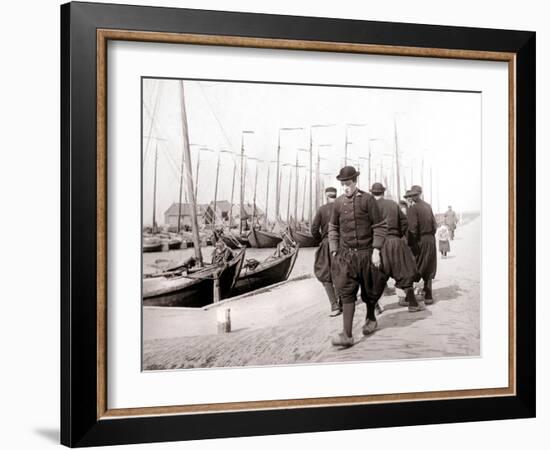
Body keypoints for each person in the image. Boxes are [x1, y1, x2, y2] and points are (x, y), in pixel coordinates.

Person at [328, 166, 387, 348]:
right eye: (343, 184)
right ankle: (347, 334)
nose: (346, 187)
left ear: (355, 182)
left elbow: (380, 226)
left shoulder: (368, 200)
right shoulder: (338, 203)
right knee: (347, 292)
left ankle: (370, 318)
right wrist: (334, 250)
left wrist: (376, 250)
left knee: (369, 289)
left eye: (348, 183)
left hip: (366, 254)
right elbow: (333, 228)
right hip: (346, 256)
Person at [370, 183, 424, 311]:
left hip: (377, 245)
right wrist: (401, 238)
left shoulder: (369, 207)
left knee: (377, 277)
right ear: (383, 192)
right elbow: (405, 223)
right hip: (395, 242)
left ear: (372, 193)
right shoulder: (393, 204)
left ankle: (374, 308)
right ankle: (412, 304)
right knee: (404, 273)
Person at [311, 187, 342, 317]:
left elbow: (314, 229)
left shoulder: (322, 209)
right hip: (342, 243)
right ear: (336, 195)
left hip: (327, 243)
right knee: (342, 272)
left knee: (325, 274)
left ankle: (334, 305)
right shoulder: (342, 207)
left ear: (326, 196)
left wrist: (321, 240)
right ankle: (343, 301)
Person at [407, 186, 438, 303]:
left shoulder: (413, 209)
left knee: (415, 265)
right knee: (429, 265)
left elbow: (413, 229)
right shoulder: (427, 206)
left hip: (420, 240)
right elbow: (435, 225)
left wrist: (411, 243)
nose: (412, 196)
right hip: (430, 239)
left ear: (417, 194)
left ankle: (409, 296)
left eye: (413, 195)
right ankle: (428, 295)